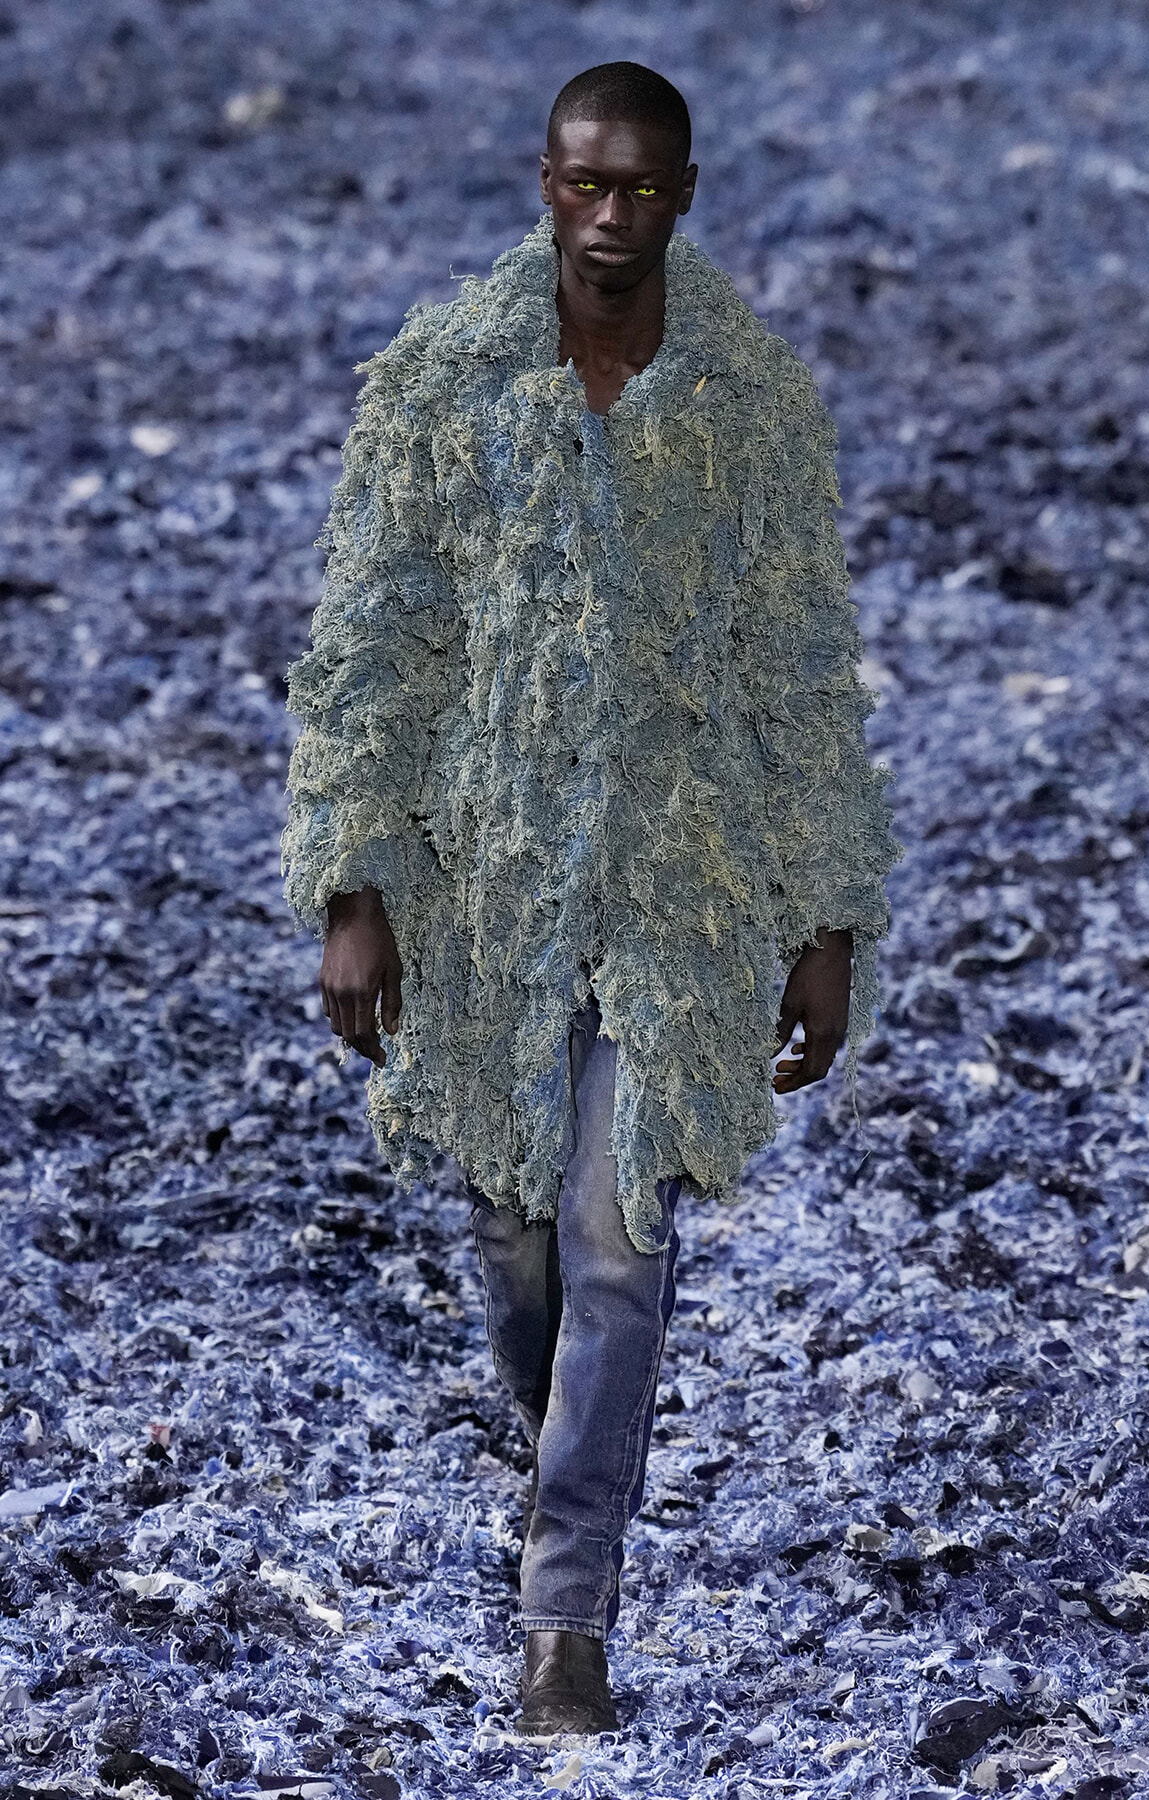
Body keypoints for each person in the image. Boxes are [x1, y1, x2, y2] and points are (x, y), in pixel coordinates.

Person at [280, 61, 901, 1738]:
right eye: (584, 183)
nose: (612, 216)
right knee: (515, 1237)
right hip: (481, 881)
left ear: (684, 195)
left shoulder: (748, 402)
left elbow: (799, 665)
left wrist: (825, 920)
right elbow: (371, 638)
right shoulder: (446, 381)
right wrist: (353, 884)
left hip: (681, 886)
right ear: (543, 182)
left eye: (642, 188)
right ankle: (565, 1455)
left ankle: (567, 1614)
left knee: (618, 1235)